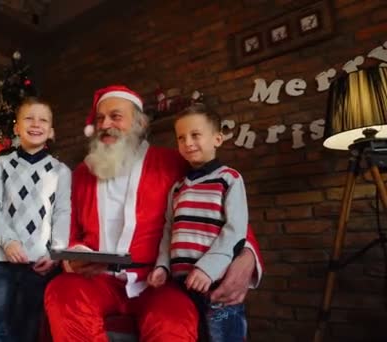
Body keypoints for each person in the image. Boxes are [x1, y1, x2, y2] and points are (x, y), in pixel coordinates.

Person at [44, 85, 263, 342]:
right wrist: (76, 254)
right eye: (100, 118)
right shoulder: (81, 173)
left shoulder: (174, 163)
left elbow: (224, 209)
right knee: (62, 293)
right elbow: (67, 230)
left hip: (157, 281)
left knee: (173, 321)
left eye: (115, 116)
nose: (105, 124)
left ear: (138, 122)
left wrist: (248, 253)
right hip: (96, 280)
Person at [147, 102, 251, 341]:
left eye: (195, 135)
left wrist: (208, 268)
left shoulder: (229, 179)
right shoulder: (178, 188)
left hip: (217, 283)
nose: (187, 143)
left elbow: (236, 230)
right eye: (181, 138)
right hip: (182, 285)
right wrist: (163, 266)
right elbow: (169, 231)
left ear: (217, 138)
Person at [0, 98, 71, 342]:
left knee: (25, 333)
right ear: (17, 127)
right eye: (29, 118)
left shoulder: (60, 171)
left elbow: (62, 213)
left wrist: (56, 253)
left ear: (51, 131)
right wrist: (8, 241)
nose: (36, 124)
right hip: (1, 258)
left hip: (38, 263)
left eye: (43, 120)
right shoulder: (0, 165)